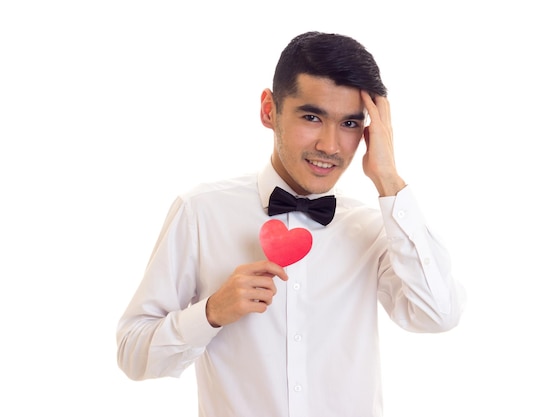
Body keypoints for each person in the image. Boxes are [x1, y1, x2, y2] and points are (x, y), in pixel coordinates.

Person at [117, 31, 465, 417]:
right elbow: (133, 354)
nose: (331, 146)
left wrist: (389, 180)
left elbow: (439, 314)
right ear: (269, 110)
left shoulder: (375, 229)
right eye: (312, 117)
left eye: (350, 124)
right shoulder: (200, 212)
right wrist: (211, 312)